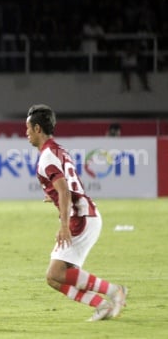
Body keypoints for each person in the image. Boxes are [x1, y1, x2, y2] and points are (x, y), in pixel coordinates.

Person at [25, 104, 128, 322]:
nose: (26, 134)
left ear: (37, 129)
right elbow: (65, 186)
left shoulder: (46, 156)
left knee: (55, 274)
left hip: (79, 219)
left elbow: (63, 190)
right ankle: (102, 306)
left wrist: (63, 224)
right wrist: (52, 195)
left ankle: (113, 292)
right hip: (84, 215)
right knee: (54, 279)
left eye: (27, 129)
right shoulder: (58, 150)